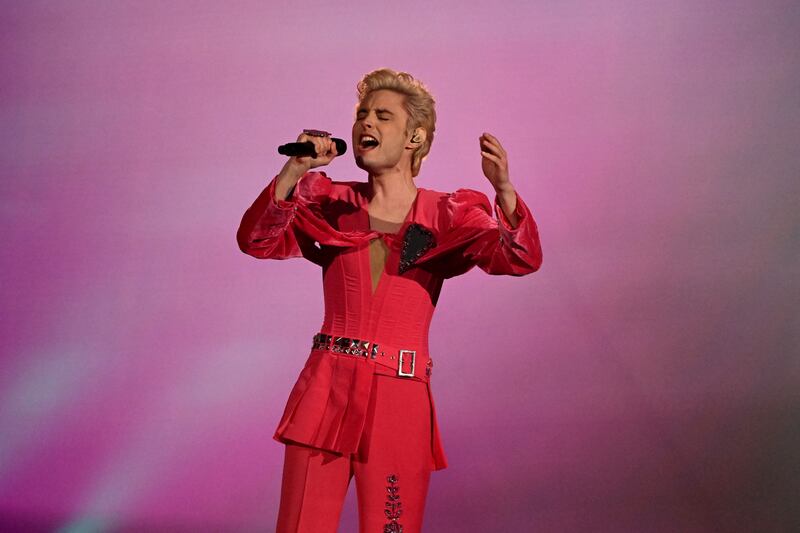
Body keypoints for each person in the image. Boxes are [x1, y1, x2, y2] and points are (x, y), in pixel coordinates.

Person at [237, 68, 542, 533]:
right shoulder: (330, 202)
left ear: (415, 136)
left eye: (382, 116)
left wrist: (505, 192)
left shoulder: (448, 213)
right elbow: (256, 240)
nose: (366, 125)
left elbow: (520, 259)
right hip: (326, 392)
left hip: (400, 400)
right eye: (362, 115)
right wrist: (294, 171)